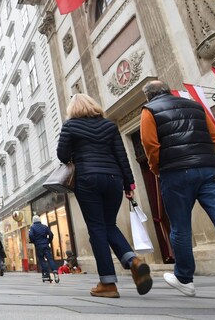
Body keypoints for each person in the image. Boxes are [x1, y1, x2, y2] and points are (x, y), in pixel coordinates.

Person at [140, 80, 215, 301]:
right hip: (209, 171)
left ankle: (185, 279)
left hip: (175, 173)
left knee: (180, 227)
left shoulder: (149, 111)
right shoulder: (195, 106)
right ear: (168, 90)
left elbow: (150, 145)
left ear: (148, 97)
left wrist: (158, 169)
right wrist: (210, 161)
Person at [57, 94, 151, 298]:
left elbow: (62, 155)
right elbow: (121, 155)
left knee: (97, 229)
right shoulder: (109, 126)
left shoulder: (70, 126)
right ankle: (133, 261)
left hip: (88, 180)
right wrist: (129, 184)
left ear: (73, 109)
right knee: (109, 225)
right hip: (113, 179)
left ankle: (108, 283)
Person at [28, 215, 59, 283]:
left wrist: (34, 241)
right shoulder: (45, 226)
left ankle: (46, 274)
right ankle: (55, 271)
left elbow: (30, 235)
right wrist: (48, 241)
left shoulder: (32, 227)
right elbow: (51, 234)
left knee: (42, 259)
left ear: (33, 221)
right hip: (46, 245)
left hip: (38, 245)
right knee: (49, 258)